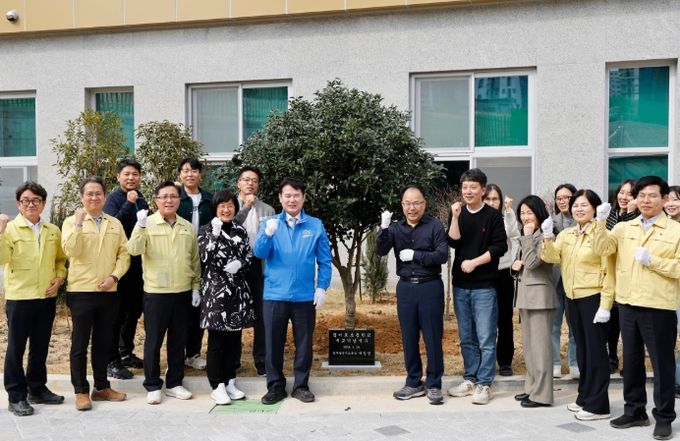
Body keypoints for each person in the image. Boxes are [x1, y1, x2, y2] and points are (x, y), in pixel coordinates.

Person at [592, 176, 680, 440]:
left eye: (652, 195)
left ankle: (664, 416)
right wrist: (599, 222)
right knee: (631, 361)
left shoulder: (675, 231)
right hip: (628, 305)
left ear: (664, 199)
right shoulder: (624, 228)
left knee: (662, 364)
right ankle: (635, 410)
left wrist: (653, 261)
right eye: (641, 195)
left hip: (658, 307)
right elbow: (601, 248)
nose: (646, 200)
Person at [253, 177, 332, 405]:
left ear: (304, 198)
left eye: (296, 195)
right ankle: (275, 386)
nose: (292, 200)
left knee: (304, 344)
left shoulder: (315, 225)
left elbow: (325, 261)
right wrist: (267, 234)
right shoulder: (269, 223)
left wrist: (322, 287)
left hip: (304, 296)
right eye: (287, 195)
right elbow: (259, 253)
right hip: (275, 294)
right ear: (280, 198)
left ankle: (301, 386)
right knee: (272, 344)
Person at [541, 189, 614, 421]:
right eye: (575, 205)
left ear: (594, 208)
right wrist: (547, 237)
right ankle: (585, 396)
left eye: (584, 205)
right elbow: (551, 257)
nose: (578, 209)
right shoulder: (568, 233)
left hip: (594, 298)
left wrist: (605, 305)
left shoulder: (602, 233)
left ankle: (599, 405)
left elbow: (608, 267)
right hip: (572, 297)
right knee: (582, 350)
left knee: (596, 352)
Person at [128, 181, 201, 405]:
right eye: (164, 197)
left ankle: (174, 383)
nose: (169, 200)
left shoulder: (187, 226)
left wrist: (196, 287)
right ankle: (152, 385)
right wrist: (139, 226)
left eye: (173, 196)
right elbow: (133, 250)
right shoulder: (147, 223)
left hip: (182, 292)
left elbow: (194, 260)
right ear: (156, 200)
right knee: (153, 341)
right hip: (156, 293)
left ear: (179, 200)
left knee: (178, 341)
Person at [61, 176, 130, 411]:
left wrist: (114, 277)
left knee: (103, 342)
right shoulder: (71, 222)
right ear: (82, 197)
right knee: (80, 344)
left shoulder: (114, 223)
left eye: (98, 193)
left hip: (108, 291)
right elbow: (70, 251)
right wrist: (79, 224)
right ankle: (81, 390)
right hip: (81, 291)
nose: (94, 197)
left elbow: (124, 254)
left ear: (105, 196)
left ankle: (101, 387)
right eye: (89, 193)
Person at [376, 185, 448, 405]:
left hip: (430, 286)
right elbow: (380, 250)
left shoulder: (435, 226)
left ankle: (434, 384)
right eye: (407, 203)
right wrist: (384, 228)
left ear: (424, 204)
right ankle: (414, 381)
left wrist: (416, 255)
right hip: (406, 288)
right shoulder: (396, 228)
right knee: (408, 336)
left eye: (416, 203)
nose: (412, 208)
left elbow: (442, 255)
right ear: (402, 205)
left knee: (432, 336)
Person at [1, 182, 67, 416]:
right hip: (20, 298)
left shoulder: (53, 230)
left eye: (36, 200)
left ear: (43, 203)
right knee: (16, 349)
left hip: (45, 297)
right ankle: (16, 396)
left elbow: (60, 259)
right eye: (26, 200)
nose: (31, 204)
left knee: (40, 347)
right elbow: (1, 259)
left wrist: (59, 278)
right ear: (19, 204)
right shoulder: (9, 229)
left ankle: (37, 389)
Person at [447, 168, 508, 405]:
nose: (468, 191)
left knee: (485, 337)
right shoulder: (459, 213)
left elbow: (499, 247)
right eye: (465, 187)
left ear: (483, 190)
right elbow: (453, 242)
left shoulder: (493, 216)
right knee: (466, 336)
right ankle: (470, 379)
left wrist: (474, 262)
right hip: (461, 286)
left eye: (473, 187)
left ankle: (484, 384)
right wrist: (454, 217)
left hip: (484, 286)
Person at [197, 190, 255, 405]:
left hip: (237, 290)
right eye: (222, 205)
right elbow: (205, 257)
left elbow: (249, 255)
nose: (226, 209)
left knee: (234, 339)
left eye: (230, 205)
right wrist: (214, 235)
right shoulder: (206, 230)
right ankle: (217, 385)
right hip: (216, 292)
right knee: (217, 340)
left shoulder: (240, 229)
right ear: (215, 208)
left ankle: (230, 380)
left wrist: (241, 263)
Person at [103, 159, 149, 380]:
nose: (131, 178)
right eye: (127, 174)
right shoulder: (113, 199)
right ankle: (111, 360)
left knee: (133, 312)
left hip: (139, 265)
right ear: (118, 176)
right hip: (120, 265)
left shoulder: (142, 198)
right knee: (117, 315)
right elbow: (114, 226)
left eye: (135, 174)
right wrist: (129, 204)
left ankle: (126, 352)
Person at [510, 195, 555, 408]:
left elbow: (532, 263)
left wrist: (527, 237)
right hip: (526, 297)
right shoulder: (529, 235)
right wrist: (514, 268)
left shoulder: (546, 235)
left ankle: (543, 395)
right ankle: (532, 388)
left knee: (540, 349)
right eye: (522, 213)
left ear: (539, 214)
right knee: (529, 348)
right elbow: (522, 265)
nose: (525, 217)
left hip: (540, 298)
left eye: (530, 212)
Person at [233, 165, 275, 376]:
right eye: (246, 179)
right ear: (238, 183)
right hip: (234, 266)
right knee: (234, 311)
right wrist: (246, 207)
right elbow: (229, 228)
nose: (250, 183)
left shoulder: (268, 210)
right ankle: (233, 360)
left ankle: (261, 360)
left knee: (261, 313)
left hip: (258, 265)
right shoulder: (229, 205)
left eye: (254, 180)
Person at [176, 157, 213, 371]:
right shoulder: (175, 197)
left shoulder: (209, 199)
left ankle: (193, 353)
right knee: (179, 309)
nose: (190, 174)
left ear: (200, 174)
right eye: (185, 170)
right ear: (180, 174)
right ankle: (177, 354)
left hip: (205, 260)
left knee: (198, 309)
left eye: (194, 170)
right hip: (179, 259)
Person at [483, 184, 519, 376]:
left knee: (505, 319)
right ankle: (485, 360)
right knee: (484, 320)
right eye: (488, 199)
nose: (491, 202)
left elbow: (513, 234)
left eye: (495, 199)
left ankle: (505, 361)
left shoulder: (505, 219)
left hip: (504, 273)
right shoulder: (479, 218)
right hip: (483, 274)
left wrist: (509, 211)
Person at [605, 179, 638, 375]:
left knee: (628, 326)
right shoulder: (610, 213)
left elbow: (628, 239)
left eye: (630, 194)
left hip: (629, 277)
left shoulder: (638, 217)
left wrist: (630, 213)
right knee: (611, 323)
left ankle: (630, 363)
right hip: (611, 274)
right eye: (622, 192)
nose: (624, 197)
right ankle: (611, 358)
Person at [550, 183, 579, 379]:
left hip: (575, 279)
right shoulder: (551, 222)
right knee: (554, 323)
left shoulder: (584, 220)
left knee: (574, 324)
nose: (562, 201)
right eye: (559, 198)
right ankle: (554, 363)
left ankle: (575, 362)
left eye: (566, 197)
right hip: (555, 278)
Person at [667, 186, 680, 397]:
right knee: (666, 339)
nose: (670, 204)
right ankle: (671, 381)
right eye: (667, 199)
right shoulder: (661, 226)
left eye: (676, 199)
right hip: (665, 291)